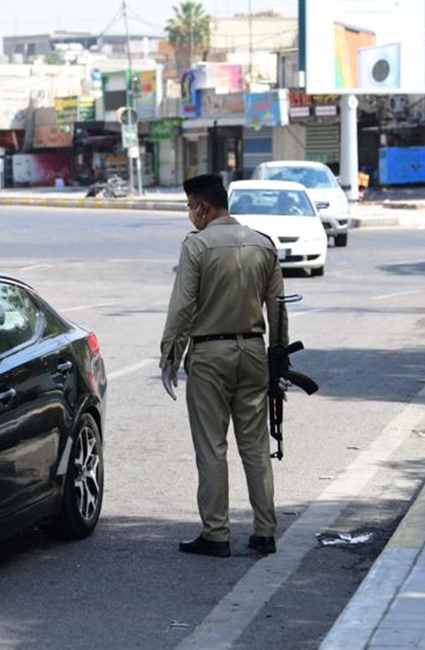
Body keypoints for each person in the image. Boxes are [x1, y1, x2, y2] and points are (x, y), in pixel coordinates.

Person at [160, 173, 289, 557]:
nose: (189, 215)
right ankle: (265, 531)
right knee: (255, 445)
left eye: (189, 207)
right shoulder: (262, 244)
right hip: (253, 350)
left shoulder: (197, 247)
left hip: (210, 355)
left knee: (212, 446)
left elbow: (183, 307)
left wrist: (170, 354)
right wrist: (277, 355)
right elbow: (278, 307)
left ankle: (216, 533)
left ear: (202, 206)